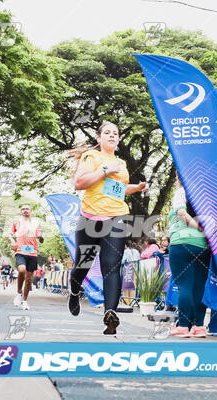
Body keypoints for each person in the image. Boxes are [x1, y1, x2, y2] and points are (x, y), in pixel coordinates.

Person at [66, 121, 149, 335]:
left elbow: (116, 190)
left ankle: (110, 314)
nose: (112, 135)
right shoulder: (91, 157)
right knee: (83, 265)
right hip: (89, 219)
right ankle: (75, 291)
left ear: (118, 139)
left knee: (111, 266)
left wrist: (136, 188)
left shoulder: (120, 163)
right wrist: (104, 170)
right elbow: (79, 183)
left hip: (116, 216)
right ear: (99, 138)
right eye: (107, 133)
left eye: (115, 133)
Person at [167, 176, 211, 338]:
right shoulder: (205, 195)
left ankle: (183, 326)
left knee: (185, 285)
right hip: (204, 246)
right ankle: (199, 327)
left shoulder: (181, 192)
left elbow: (181, 213)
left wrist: (197, 227)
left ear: (178, 177)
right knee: (199, 287)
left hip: (182, 243)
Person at [8, 205, 44, 310]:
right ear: (21, 212)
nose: (25, 211)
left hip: (32, 253)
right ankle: (19, 292)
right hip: (20, 251)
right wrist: (13, 241)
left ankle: (24, 300)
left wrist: (41, 237)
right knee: (21, 270)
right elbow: (10, 234)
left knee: (28, 280)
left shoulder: (36, 224)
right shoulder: (17, 222)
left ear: (30, 211)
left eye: (27, 209)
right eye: (23, 209)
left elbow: (40, 239)